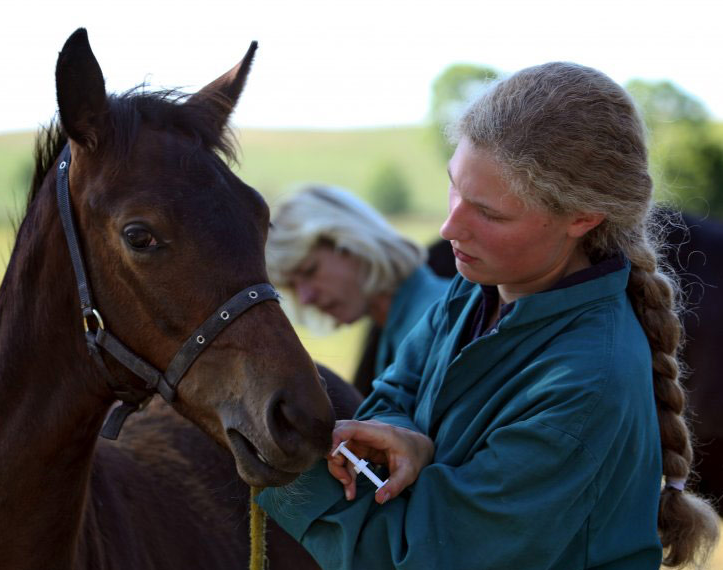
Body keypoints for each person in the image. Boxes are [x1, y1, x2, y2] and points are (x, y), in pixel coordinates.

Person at [258, 62, 719, 569]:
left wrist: (277, 455)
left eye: (490, 212)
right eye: (455, 186)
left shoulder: (587, 383)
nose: (450, 226)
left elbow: (422, 557)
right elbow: (394, 393)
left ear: (582, 218)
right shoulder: (477, 289)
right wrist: (408, 440)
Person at [266, 185, 449, 394]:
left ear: (353, 243)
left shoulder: (440, 322)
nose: (305, 297)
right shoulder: (394, 331)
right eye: (292, 286)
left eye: (310, 270)